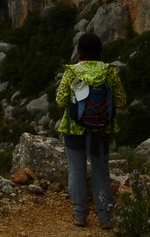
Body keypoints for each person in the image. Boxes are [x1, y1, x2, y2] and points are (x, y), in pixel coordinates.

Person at [56, 32, 126, 230]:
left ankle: (80, 215)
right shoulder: (110, 72)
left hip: (74, 129)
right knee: (101, 172)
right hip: (101, 129)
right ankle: (106, 217)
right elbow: (121, 100)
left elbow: (60, 100)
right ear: (99, 50)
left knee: (76, 171)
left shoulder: (72, 72)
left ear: (80, 50)